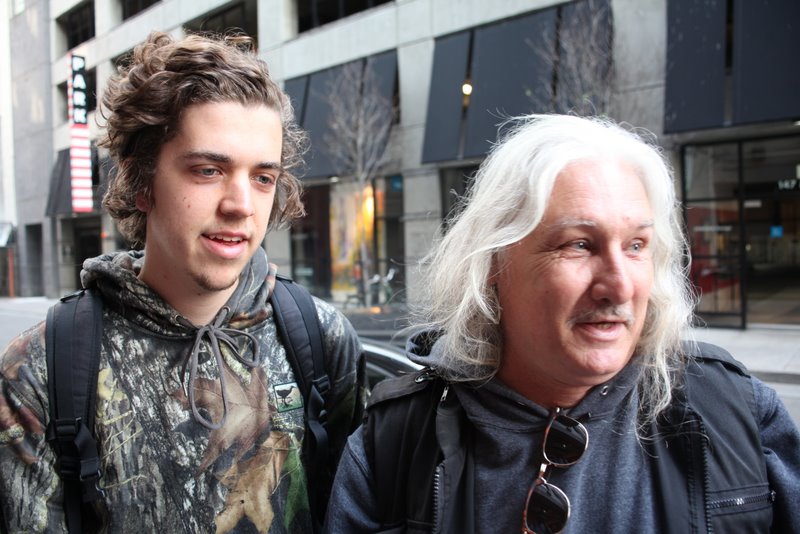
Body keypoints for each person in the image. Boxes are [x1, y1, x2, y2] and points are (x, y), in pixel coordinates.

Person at [325, 114, 800, 533]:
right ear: (493, 264)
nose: (620, 286)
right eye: (579, 245)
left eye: (636, 246)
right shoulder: (394, 443)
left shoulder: (735, 411)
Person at [0, 31, 366, 533]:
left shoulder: (320, 338)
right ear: (141, 180)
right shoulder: (40, 371)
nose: (241, 205)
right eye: (208, 170)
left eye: (263, 177)